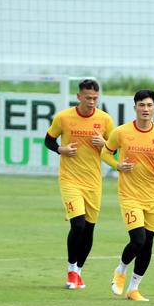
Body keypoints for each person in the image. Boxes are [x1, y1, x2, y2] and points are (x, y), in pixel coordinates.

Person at [101, 89, 154, 302]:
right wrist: (118, 165)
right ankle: (120, 270)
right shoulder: (121, 132)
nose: (145, 109)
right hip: (129, 194)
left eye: (149, 105)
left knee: (148, 243)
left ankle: (134, 289)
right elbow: (105, 152)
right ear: (135, 108)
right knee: (138, 239)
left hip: (152, 196)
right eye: (141, 105)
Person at [44, 78, 114, 290]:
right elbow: (48, 140)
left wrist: (105, 144)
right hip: (69, 179)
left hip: (93, 181)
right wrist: (60, 150)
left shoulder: (105, 120)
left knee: (89, 229)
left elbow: (114, 148)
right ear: (78, 96)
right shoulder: (64, 117)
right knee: (78, 224)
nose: (92, 101)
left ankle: (79, 271)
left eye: (95, 98)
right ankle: (71, 269)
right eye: (87, 97)